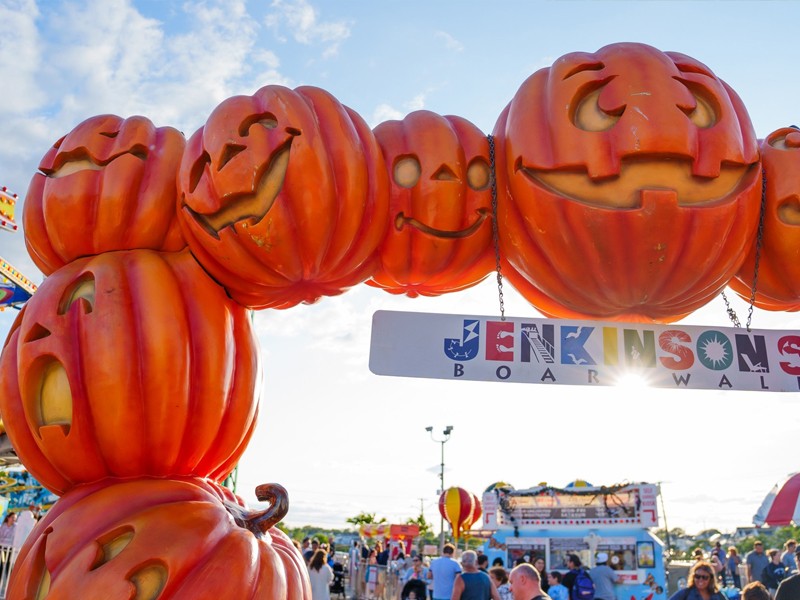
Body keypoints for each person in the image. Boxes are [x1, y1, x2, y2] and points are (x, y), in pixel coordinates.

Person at [0, 512, 16, 579]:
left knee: (9, 563)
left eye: (15, 518)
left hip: (10, 548)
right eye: (12, 518)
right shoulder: (3, 526)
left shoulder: (15, 527)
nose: (13, 520)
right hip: (2, 547)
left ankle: (10, 579)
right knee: (1, 562)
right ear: (8, 518)